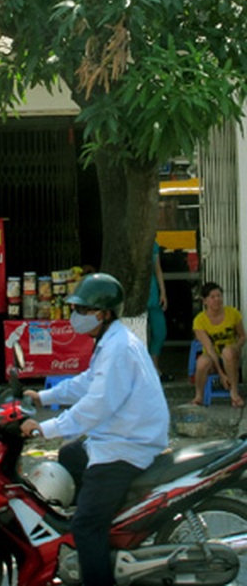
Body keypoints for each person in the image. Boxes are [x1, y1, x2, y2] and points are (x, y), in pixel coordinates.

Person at [20, 273, 169, 586]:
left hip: (126, 447)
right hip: (120, 436)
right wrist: (44, 396)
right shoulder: (113, 340)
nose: (77, 317)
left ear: (104, 313)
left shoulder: (117, 348)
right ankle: (106, 529)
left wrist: (42, 429)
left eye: (84, 311)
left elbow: (94, 407)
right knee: (70, 456)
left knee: (86, 525)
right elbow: (87, 382)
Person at [192, 282, 246, 408]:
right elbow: (209, 348)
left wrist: (236, 347)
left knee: (227, 352)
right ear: (204, 301)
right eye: (212, 297)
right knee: (201, 362)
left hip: (231, 356)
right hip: (212, 356)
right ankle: (198, 396)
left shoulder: (233, 313)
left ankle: (234, 393)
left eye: (219, 296)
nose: (217, 299)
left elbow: (243, 337)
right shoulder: (199, 321)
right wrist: (221, 374)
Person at [147, 240, 169, 377]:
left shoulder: (152, 245)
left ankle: (154, 365)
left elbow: (158, 269)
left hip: (153, 292)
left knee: (160, 331)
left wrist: (163, 292)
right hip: (135, 294)